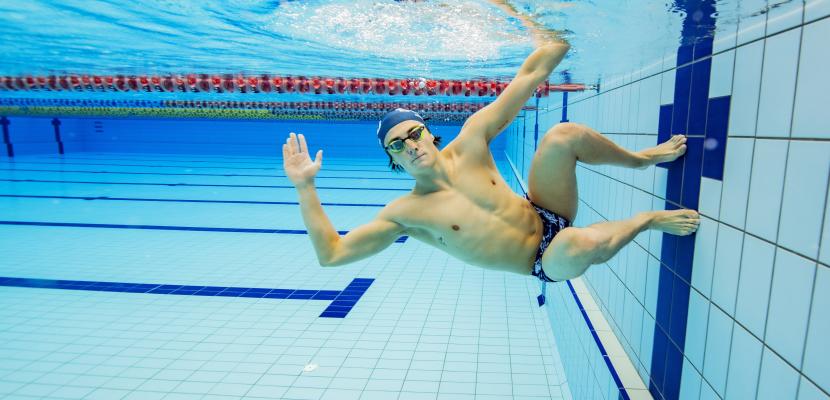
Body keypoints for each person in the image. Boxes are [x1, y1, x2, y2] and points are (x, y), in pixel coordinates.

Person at [282, 19, 698, 286]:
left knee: (563, 134)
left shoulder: (472, 139)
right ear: (394, 161)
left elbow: (534, 71)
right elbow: (331, 255)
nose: (410, 145)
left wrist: (529, 21)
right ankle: (648, 221)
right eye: (397, 146)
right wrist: (305, 188)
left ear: (430, 134)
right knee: (577, 243)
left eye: (413, 134)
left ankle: (644, 160)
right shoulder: (405, 214)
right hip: (543, 261)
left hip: (545, 209)